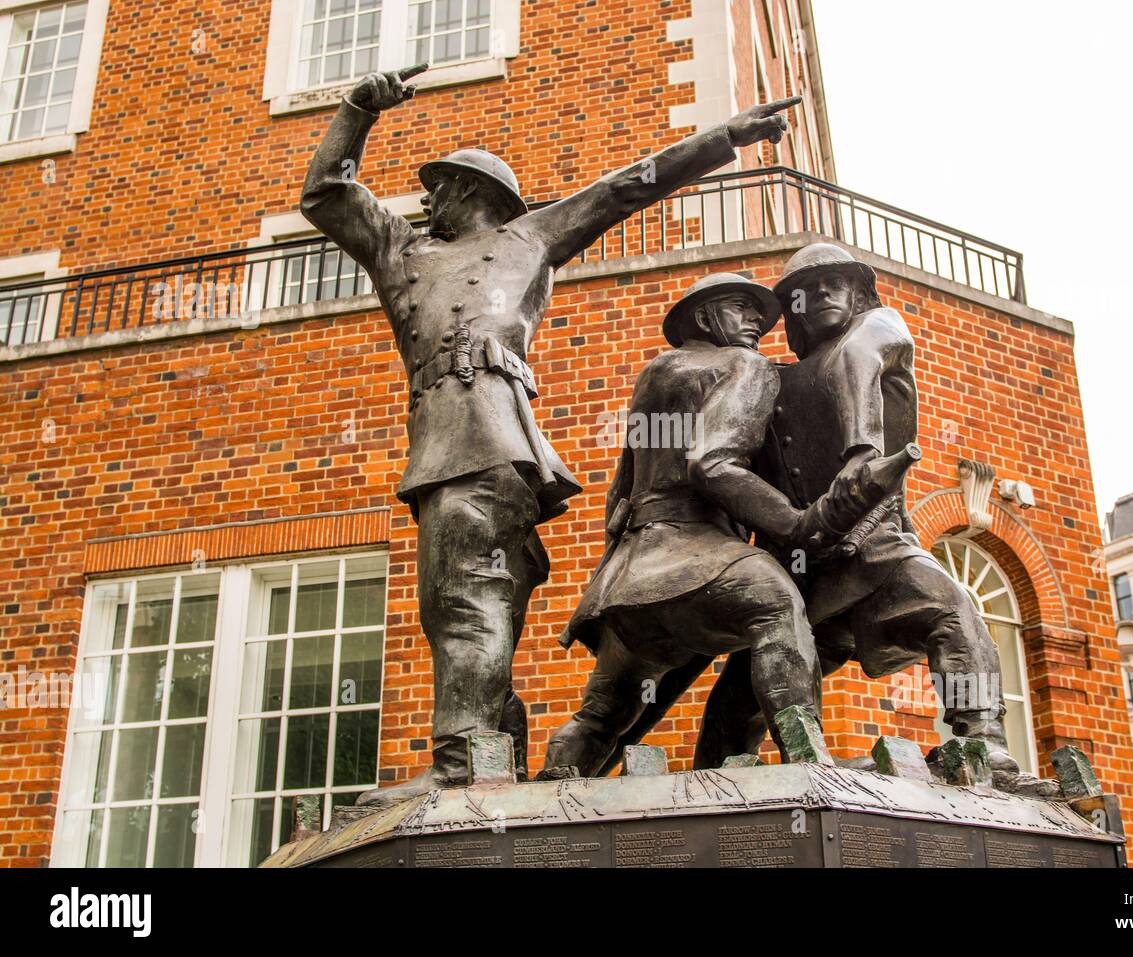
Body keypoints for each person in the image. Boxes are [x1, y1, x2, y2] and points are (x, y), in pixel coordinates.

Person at [301, 63, 802, 803]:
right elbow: (325, 193)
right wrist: (357, 104)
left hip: (487, 444)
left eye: (438, 187)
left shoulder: (525, 239)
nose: (425, 198)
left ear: (474, 194)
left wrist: (723, 137)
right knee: (463, 607)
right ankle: (492, 746)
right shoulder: (401, 253)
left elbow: (629, 184)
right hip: (444, 448)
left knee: (468, 604)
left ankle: (463, 763)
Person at [694, 243, 1018, 774]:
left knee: (948, 609)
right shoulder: (767, 379)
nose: (821, 294)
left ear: (858, 294)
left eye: (835, 284)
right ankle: (717, 784)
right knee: (742, 694)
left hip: (875, 542)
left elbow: (858, 358)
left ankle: (984, 738)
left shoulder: (880, 330)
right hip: (802, 567)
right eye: (806, 290)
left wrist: (861, 451)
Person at [541, 273, 873, 777]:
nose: (755, 325)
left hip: (631, 579)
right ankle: (808, 760)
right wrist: (796, 523)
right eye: (742, 309)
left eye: (760, 318)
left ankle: (547, 799)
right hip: (700, 557)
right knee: (777, 605)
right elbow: (713, 465)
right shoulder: (745, 365)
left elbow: (618, 495)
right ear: (703, 317)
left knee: (601, 717)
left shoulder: (656, 372)